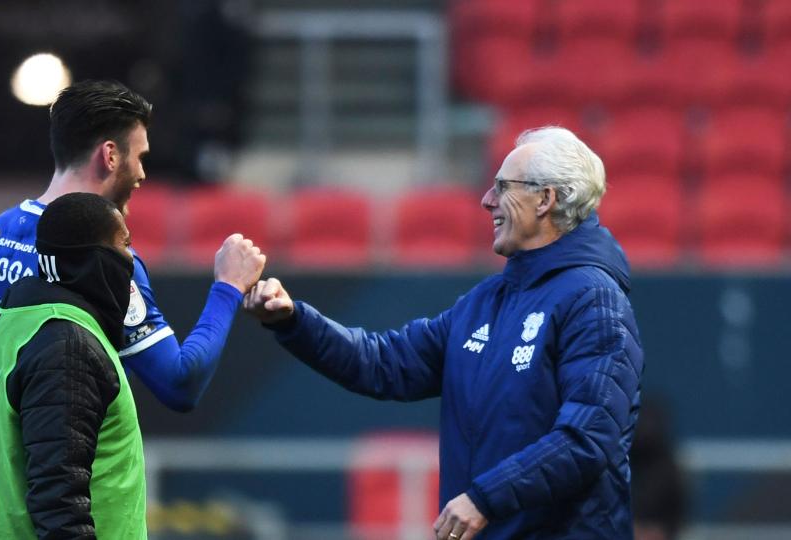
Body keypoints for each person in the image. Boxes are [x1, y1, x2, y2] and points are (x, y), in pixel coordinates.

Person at [244, 127, 644, 539]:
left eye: (503, 187)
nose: (487, 200)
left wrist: (485, 498)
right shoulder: (486, 301)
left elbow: (588, 438)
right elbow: (384, 363)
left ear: (546, 199)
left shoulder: (594, 299)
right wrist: (292, 320)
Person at [0, 80, 266, 434]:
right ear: (110, 155)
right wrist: (228, 287)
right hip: (69, 481)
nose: (142, 174)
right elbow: (181, 383)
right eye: (139, 157)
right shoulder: (102, 258)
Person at [0, 193, 147, 538]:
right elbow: (60, 503)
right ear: (94, 259)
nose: (130, 258)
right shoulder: (68, 346)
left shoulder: (15, 320)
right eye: (124, 244)